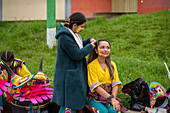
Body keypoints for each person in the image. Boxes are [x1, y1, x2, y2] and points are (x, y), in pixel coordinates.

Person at [52, 12, 96, 113]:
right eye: (82, 27)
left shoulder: (73, 33)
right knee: (66, 105)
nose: (83, 29)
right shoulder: (65, 37)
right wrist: (91, 46)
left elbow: (77, 45)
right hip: (66, 77)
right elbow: (77, 54)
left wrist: (88, 41)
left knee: (70, 104)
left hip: (71, 75)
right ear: (75, 25)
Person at [86, 39, 124, 113]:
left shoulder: (112, 65)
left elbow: (115, 84)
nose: (105, 50)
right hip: (94, 97)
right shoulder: (91, 66)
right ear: (96, 50)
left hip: (109, 96)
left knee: (114, 110)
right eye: (102, 47)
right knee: (103, 111)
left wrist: (113, 99)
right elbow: (96, 87)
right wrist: (111, 99)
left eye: (108, 47)